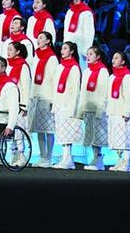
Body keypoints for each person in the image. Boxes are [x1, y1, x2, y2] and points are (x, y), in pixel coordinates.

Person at [29, 31, 59, 168]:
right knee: (39, 129)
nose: (38, 40)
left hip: (47, 96)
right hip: (36, 95)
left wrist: (53, 99)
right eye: (38, 37)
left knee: (48, 129)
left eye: (41, 38)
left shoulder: (52, 58)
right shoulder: (37, 56)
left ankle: (49, 156)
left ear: (48, 41)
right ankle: (42, 156)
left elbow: (54, 79)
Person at [51, 41, 82, 170]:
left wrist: (72, 107)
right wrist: (54, 104)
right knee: (61, 133)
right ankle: (65, 158)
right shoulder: (60, 67)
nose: (62, 51)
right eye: (62, 49)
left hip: (68, 105)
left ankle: (68, 158)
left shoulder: (74, 67)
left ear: (72, 51)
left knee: (68, 133)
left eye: (65, 49)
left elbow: (75, 89)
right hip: (59, 103)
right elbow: (55, 87)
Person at [78, 46, 110, 171]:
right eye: (87, 54)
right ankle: (95, 158)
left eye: (91, 54)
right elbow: (83, 92)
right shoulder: (86, 71)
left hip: (98, 108)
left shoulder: (103, 71)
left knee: (98, 136)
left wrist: (100, 109)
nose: (88, 56)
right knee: (91, 136)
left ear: (98, 57)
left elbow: (103, 92)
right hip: (88, 108)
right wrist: (81, 109)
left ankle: (99, 159)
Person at [107, 51, 130, 172]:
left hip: (122, 113)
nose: (113, 60)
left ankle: (126, 163)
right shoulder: (112, 76)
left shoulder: (127, 76)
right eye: (113, 58)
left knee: (125, 138)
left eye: (116, 58)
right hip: (113, 111)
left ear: (123, 61)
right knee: (116, 139)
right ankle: (119, 161)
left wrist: (127, 112)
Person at [6, 41, 32, 166]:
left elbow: (26, 86)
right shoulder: (8, 65)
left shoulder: (23, 66)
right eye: (8, 49)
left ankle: (22, 155)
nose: (8, 52)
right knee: (10, 130)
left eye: (11, 50)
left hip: (20, 104)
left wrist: (24, 105)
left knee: (19, 131)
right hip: (9, 103)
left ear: (18, 52)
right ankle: (13, 155)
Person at [64, 0, 95, 69]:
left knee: (80, 68)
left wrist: (86, 50)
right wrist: (65, 44)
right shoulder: (69, 11)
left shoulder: (86, 12)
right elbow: (66, 31)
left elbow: (89, 33)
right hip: (69, 44)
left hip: (81, 46)